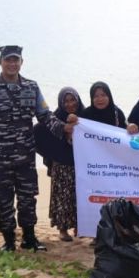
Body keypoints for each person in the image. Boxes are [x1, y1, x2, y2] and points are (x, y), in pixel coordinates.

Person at [0, 45, 59, 252]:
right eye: (8, 60)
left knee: (28, 197)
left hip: (26, 157)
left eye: (16, 60)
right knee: (3, 199)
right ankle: (9, 240)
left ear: (22, 62)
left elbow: (46, 116)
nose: (12, 64)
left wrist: (65, 130)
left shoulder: (32, 87)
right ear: (0, 62)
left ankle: (29, 238)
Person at [48, 87, 83, 242]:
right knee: (63, 197)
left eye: (72, 100)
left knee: (80, 195)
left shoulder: (85, 116)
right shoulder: (56, 118)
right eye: (66, 101)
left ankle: (79, 226)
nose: (70, 104)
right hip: (62, 164)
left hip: (81, 164)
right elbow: (43, 134)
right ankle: (62, 230)